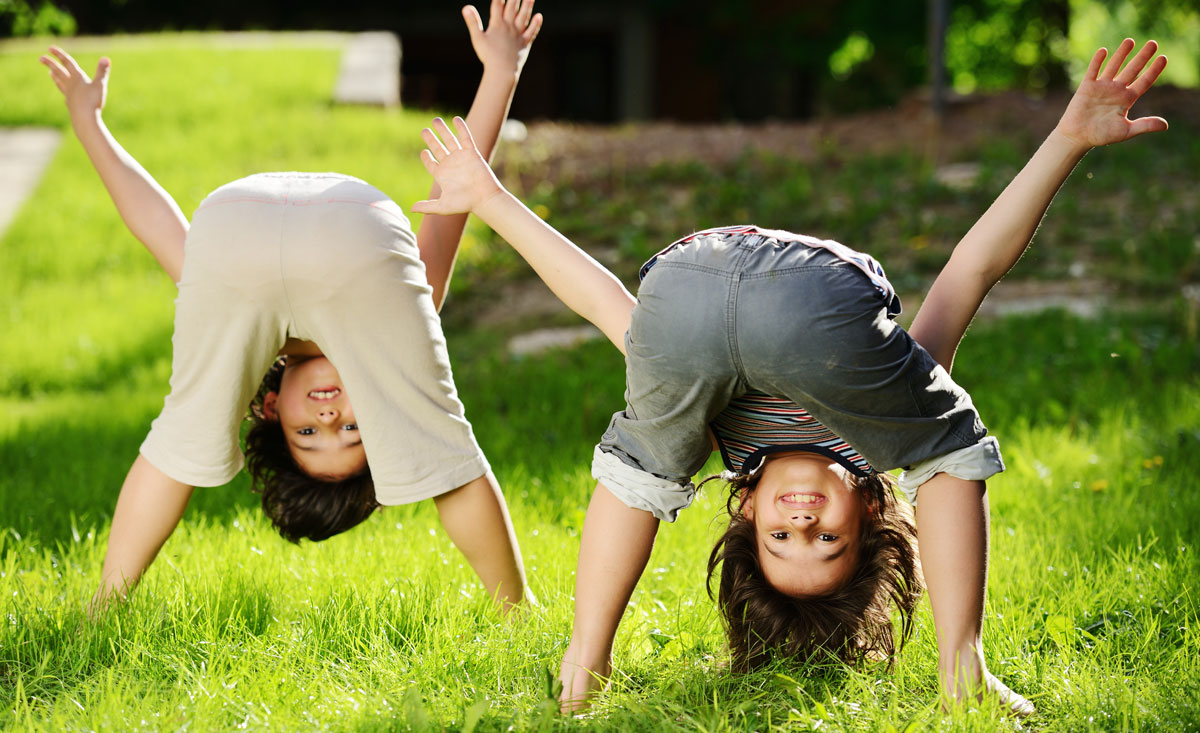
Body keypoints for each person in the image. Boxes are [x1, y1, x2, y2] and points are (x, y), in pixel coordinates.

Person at [410, 37, 1168, 715]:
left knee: (648, 461)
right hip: (812, 307)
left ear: (744, 516)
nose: (802, 521)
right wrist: (1066, 142)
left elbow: (602, 302)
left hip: (685, 289)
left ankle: (585, 659)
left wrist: (492, 200)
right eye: (826, 540)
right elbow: (971, 270)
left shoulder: (715, 428)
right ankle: (961, 664)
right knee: (943, 451)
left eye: (781, 536)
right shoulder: (880, 429)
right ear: (871, 517)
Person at [38, 0, 544, 613]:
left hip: (234, 233)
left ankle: (104, 607)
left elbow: (157, 226)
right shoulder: (406, 311)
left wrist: (89, 124)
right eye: (354, 430)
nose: (330, 419)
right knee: (442, 448)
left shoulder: (234, 315)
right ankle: (517, 612)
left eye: (308, 434)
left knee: (183, 437)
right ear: (382, 424)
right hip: (353, 238)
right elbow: (457, 196)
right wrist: (501, 72)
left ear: (272, 408)